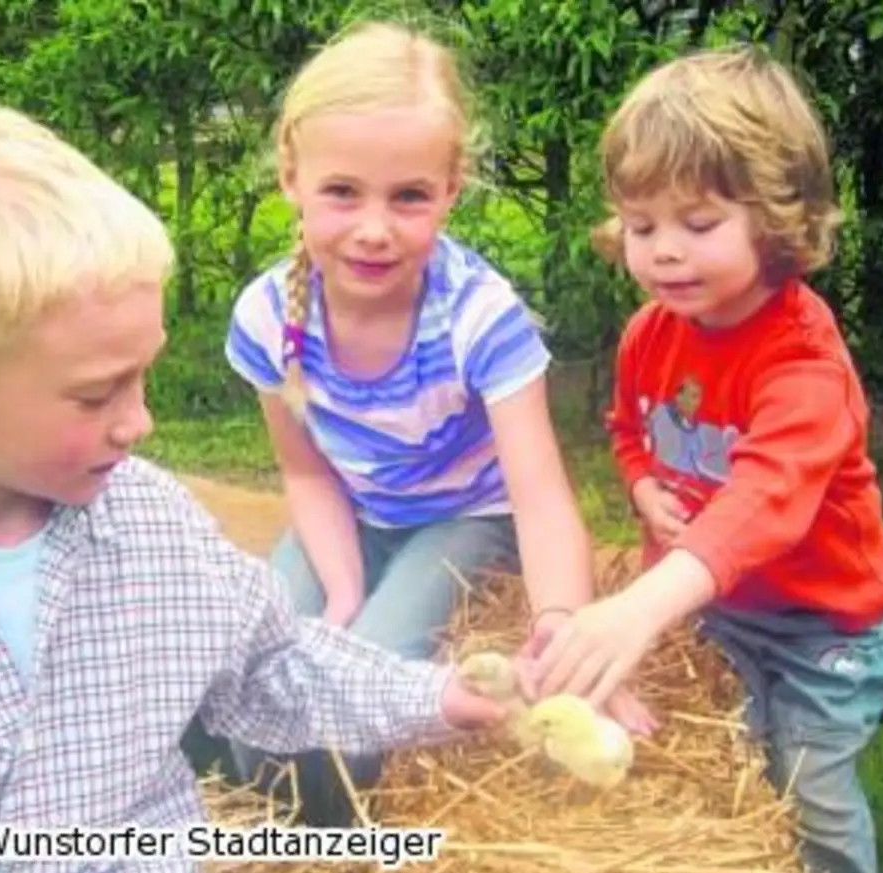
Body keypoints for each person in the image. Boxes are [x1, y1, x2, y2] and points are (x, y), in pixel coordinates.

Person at [0, 106, 512, 873]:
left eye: (142, 375)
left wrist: (437, 696)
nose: (140, 421)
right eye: (97, 395)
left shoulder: (157, 529)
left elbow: (274, 664)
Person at [221, 20, 642, 826]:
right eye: (342, 191)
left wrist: (560, 630)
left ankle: (344, 844)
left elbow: (540, 497)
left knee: (369, 682)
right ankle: (278, 843)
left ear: (452, 189)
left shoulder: (481, 318)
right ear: (290, 175)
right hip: (350, 513)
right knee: (257, 664)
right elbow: (306, 472)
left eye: (409, 196)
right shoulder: (268, 315)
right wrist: (339, 591)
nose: (375, 228)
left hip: (466, 517)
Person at [527, 46, 883, 873]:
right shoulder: (649, 333)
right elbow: (628, 430)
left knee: (808, 789)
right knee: (724, 769)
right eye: (640, 225)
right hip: (726, 617)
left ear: (777, 221)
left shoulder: (803, 361)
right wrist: (638, 483)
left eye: (698, 225)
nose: (665, 252)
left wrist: (637, 606)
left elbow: (763, 503)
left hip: (826, 632)